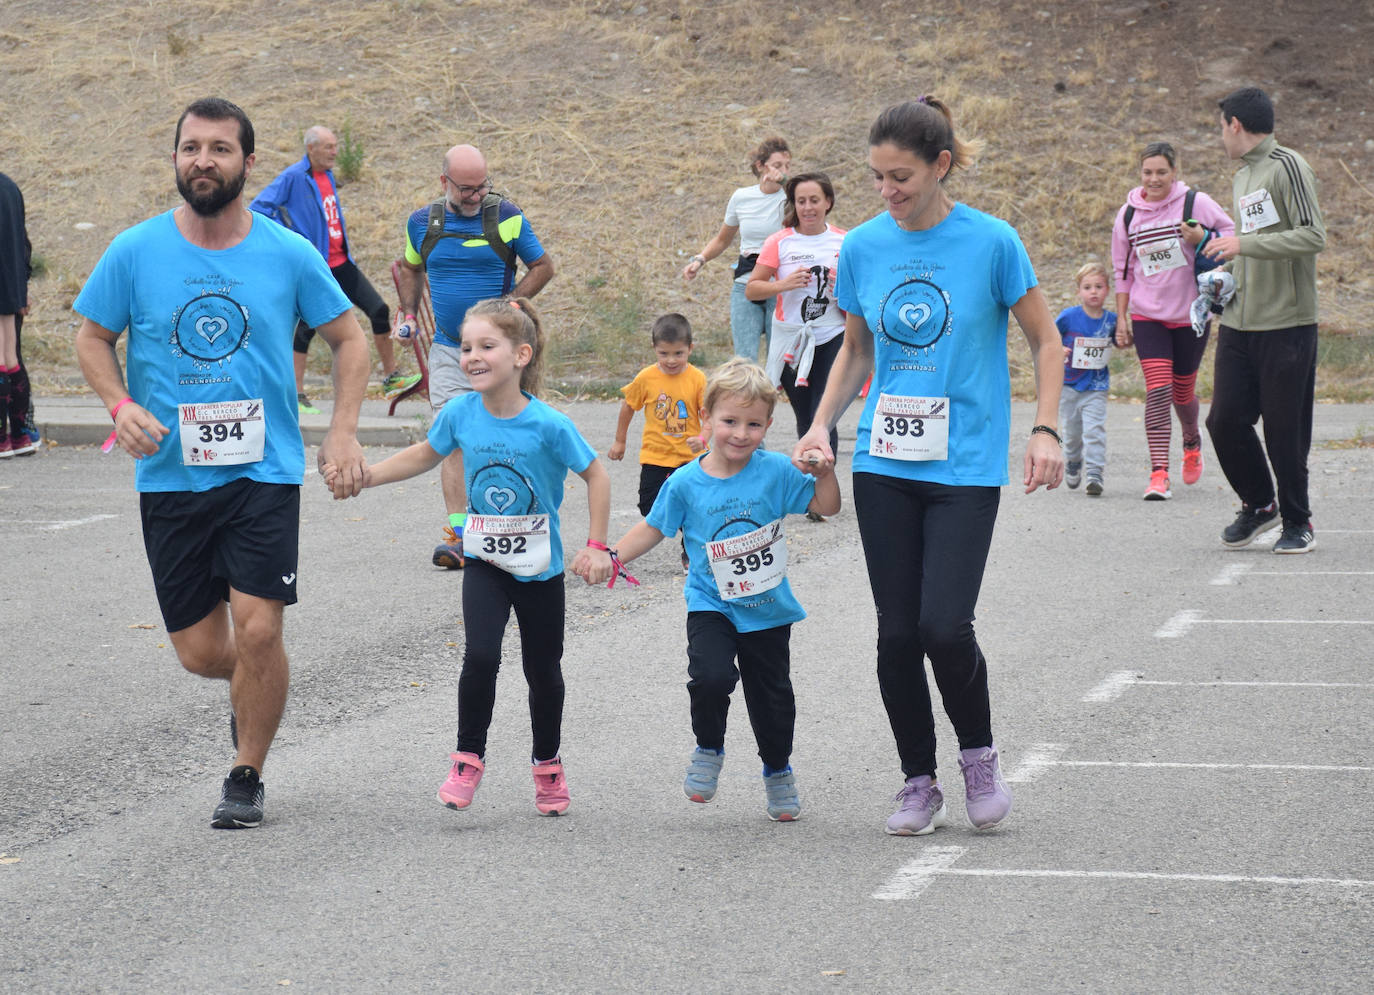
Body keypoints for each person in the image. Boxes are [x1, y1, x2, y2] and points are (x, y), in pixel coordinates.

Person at [72, 97, 370, 830]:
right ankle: (251, 689)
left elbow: (351, 338)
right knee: (206, 652)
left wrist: (342, 432)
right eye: (191, 147)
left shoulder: (286, 251)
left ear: (247, 163)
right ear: (175, 157)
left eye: (220, 148)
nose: (203, 159)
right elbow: (90, 337)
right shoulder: (135, 250)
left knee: (261, 630)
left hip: (261, 471)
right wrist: (119, 405)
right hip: (171, 475)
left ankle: (247, 772)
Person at [791, 97, 1064, 836]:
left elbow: (1046, 341)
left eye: (901, 176)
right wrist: (821, 423)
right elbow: (855, 349)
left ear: (941, 165)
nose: (887, 191)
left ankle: (978, 754)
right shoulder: (865, 248)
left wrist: (1045, 428)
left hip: (966, 465)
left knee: (945, 626)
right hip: (886, 460)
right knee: (895, 634)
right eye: (878, 177)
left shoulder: (993, 243)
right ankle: (919, 780)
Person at [328, 297, 611, 816]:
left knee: (542, 670)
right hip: (485, 563)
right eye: (465, 347)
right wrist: (367, 477)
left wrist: (596, 546)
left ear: (521, 354)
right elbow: (423, 454)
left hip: (539, 569)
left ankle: (547, 764)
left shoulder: (548, 424)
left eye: (486, 346)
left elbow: (596, 474)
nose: (472, 356)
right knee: (480, 655)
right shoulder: (460, 412)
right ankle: (467, 759)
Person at [587, 358, 839, 822]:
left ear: (767, 425)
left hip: (767, 609)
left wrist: (824, 471)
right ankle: (708, 748)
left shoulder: (777, 472)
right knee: (710, 678)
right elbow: (653, 527)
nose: (740, 434)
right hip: (711, 604)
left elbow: (828, 505)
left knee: (773, 698)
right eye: (729, 421)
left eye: (754, 424)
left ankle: (778, 770)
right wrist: (612, 555)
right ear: (706, 418)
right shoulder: (685, 482)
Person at [395, 144, 555, 569]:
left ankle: (515, 524)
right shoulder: (422, 223)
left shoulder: (505, 217)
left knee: (510, 437)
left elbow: (542, 266)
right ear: (443, 182)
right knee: (452, 439)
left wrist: (509, 306)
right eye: (466, 189)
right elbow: (411, 267)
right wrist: (409, 311)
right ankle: (461, 535)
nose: (476, 195)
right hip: (449, 348)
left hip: (500, 351)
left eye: (482, 186)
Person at [1203, 87, 1327, 553]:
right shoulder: (1243, 177)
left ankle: (1299, 521)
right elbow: (1255, 245)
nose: (1220, 136)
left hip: (1286, 324)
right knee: (1225, 421)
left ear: (1235, 124)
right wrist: (1225, 275)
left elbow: (1313, 236)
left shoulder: (1287, 166)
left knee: (1284, 430)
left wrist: (1243, 247)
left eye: (1221, 127)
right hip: (1240, 323)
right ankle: (1259, 505)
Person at [250, 125, 420, 412]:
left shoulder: (327, 175)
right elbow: (258, 208)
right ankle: (297, 395)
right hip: (316, 266)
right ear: (311, 149)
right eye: (328, 147)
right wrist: (292, 237)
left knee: (378, 309)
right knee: (305, 328)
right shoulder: (294, 177)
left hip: (342, 262)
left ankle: (391, 377)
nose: (335, 152)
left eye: (335, 146)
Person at [1111, 141, 1235, 500]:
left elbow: (1231, 238)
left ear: (1174, 172)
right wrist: (1121, 318)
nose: (1154, 179)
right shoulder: (1128, 215)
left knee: (1182, 391)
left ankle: (1192, 440)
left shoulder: (1195, 203)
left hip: (1191, 314)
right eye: (1147, 172)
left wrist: (1204, 238)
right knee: (1158, 390)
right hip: (1147, 314)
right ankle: (1159, 474)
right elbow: (1122, 271)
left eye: (1161, 172)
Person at [746, 171, 847, 489]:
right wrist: (783, 284)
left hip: (832, 335)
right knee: (805, 414)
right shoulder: (780, 241)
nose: (808, 207)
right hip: (791, 339)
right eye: (801, 201)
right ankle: (809, 483)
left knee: (823, 412)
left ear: (827, 202)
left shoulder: (847, 241)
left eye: (814, 200)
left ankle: (821, 484)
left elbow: (864, 293)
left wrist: (842, 289)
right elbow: (752, 289)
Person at [608, 312, 707, 570]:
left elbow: (709, 415)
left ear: (690, 349)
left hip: (689, 458)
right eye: (664, 354)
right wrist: (620, 442)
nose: (671, 360)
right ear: (654, 349)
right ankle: (682, 520)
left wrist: (702, 437)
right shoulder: (646, 378)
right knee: (648, 505)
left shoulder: (697, 379)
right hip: (655, 456)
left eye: (678, 353)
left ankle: (691, 549)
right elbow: (628, 407)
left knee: (694, 505)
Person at [681, 137, 791, 362]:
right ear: (761, 166)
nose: (783, 171)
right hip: (746, 284)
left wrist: (786, 180)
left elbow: (806, 191)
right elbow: (723, 239)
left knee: (777, 362)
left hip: (779, 286)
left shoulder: (793, 197)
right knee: (744, 361)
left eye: (787, 166)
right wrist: (699, 260)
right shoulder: (742, 197)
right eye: (778, 165)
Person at [1057, 261, 1118, 496]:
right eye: (1088, 287)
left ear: (1107, 290)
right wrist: (1059, 348)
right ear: (1078, 291)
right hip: (1069, 384)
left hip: (1097, 385)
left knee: (1094, 430)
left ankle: (1095, 472)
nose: (1093, 291)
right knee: (1072, 433)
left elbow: (1122, 341)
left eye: (1099, 286)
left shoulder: (1111, 320)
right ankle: (1073, 461)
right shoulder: (1069, 317)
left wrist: (1124, 339)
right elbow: (1050, 337)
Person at [0, 169, 36, 457]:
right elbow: (23, 241)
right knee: (10, 359)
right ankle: (21, 435)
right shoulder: (10, 187)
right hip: (11, 286)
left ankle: (1, 440)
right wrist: (21, 287)